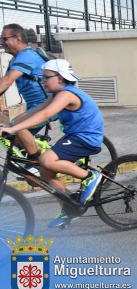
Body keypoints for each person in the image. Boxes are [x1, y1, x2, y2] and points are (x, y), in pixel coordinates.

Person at [0, 59, 104, 228]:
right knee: (45, 173)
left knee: (46, 160)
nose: (42, 80)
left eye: (46, 77)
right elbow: (37, 110)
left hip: (86, 138)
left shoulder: (67, 94)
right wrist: (11, 125)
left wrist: (14, 130)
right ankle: (69, 208)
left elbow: (46, 114)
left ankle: (90, 177)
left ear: (61, 78)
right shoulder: (57, 94)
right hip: (74, 136)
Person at [0, 23, 48, 158]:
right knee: (8, 131)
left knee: (17, 125)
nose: (2, 42)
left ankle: (36, 163)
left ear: (18, 38)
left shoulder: (27, 56)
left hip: (47, 105)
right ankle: (29, 153)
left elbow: (8, 80)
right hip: (36, 106)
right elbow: (4, 84)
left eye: (4, 38)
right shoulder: (16, 59)